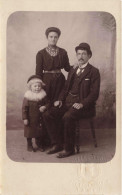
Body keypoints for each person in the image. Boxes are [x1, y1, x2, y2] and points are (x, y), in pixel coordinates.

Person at [43, 43, 101, 157]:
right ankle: (57, 144)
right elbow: (65, 88)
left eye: (84, 54)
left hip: (85, 107)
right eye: (79, 54)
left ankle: (69, 149)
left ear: (89, 56)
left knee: (67, 116)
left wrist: (82, 104)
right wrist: (59, 100)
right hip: (68, 103)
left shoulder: (94, 71)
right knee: (48, 114)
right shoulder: (73, 70)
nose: (81, 56)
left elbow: (94, 94)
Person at [36, 27, 71, 104]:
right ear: (47, 37)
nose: (53, 39)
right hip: (46, 81)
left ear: (58, 38)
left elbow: (67, 68)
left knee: (59, 103)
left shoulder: (63, 52)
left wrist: (76, 66)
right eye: (51, 37)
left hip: (60, 81)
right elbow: (38, 72)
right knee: (46, 104)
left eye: (55, 37)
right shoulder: (41, 53)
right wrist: (39, 84)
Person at [22, 75, 50, 152]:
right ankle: (29, 145)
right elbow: (24, 109)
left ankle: (39, 144)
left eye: (39, 86)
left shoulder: (43, 95)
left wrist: (45, 106)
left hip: (39, 118)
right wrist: (25, 118)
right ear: (30, 87)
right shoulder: (27, 96)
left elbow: (48, 103)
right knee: (29, 133)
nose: (37, 88)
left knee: (39, 132)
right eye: (35, 86)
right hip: (30, 118)